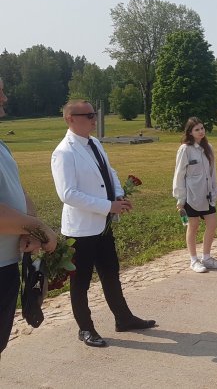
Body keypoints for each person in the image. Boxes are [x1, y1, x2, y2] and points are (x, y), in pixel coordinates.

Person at [51, 99, 156, 348]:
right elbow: (68, 194)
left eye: (94, 114)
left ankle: (123, 318)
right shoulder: (64, 152)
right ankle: (85, 329)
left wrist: (118, 194)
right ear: (70, 119)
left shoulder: (94, 143)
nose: (93, 119)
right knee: (81, 282)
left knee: (111, 274)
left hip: (103, 225)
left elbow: (111, 173)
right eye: (88, 115)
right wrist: (108, 206)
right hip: (80, 230)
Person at [0, 76, 57, 358]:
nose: (5, 99)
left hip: (8, 266)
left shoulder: (2, 145)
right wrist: (38, 227)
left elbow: (19, 191)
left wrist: (30, 233)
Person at [173, 117, 217, 273]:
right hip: (191, 195)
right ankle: (193, 259)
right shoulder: (185, 149)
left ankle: (207, 257)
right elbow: (179, 173)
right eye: (197, 129)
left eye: (202, 128)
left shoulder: (208, 147)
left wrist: (215, 190)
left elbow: (212, 171)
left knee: (212, 223)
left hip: (207, 194)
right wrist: (180, 198)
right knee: (193, 226)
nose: (201, 132)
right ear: (190, 132)